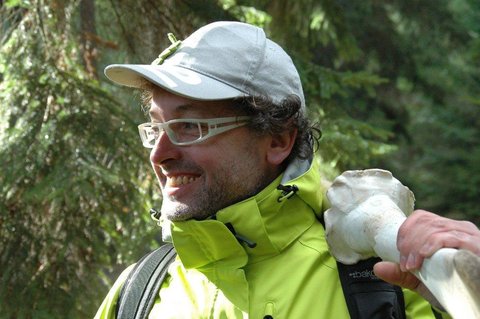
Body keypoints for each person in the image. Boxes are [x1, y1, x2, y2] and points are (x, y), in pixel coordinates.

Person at [95, 21, 480, 318]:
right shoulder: (139, 292)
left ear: (278, 139)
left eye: (189, 127)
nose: (159, 153)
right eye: (156, 128)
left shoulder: (387, 282)